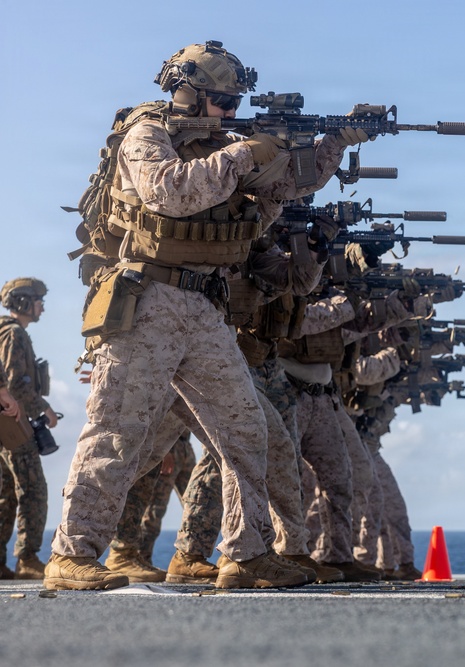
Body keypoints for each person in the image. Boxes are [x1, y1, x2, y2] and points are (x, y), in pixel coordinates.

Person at [45, 40, 369, 591]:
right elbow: (168, 192)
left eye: (234, 103)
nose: (230, 113)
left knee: (249, 429)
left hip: (204, 304)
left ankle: (246, 555)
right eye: (221, 101)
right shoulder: (146, 131)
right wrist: (248, 152)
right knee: (117, 430)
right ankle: (72, 554)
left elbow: (293, 184)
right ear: (186, 89)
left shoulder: (222, 142)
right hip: (147, 296)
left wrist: (333, 142)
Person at [0, 277, 58, 580]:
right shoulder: (15, 336)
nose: (42, 308)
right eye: (38, 301)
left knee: (6, 494)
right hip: (14, 425)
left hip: (5, 427)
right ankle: (28, 558)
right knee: (34, 490)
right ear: (23, 302)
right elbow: (14, 384)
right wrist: (44, 410)